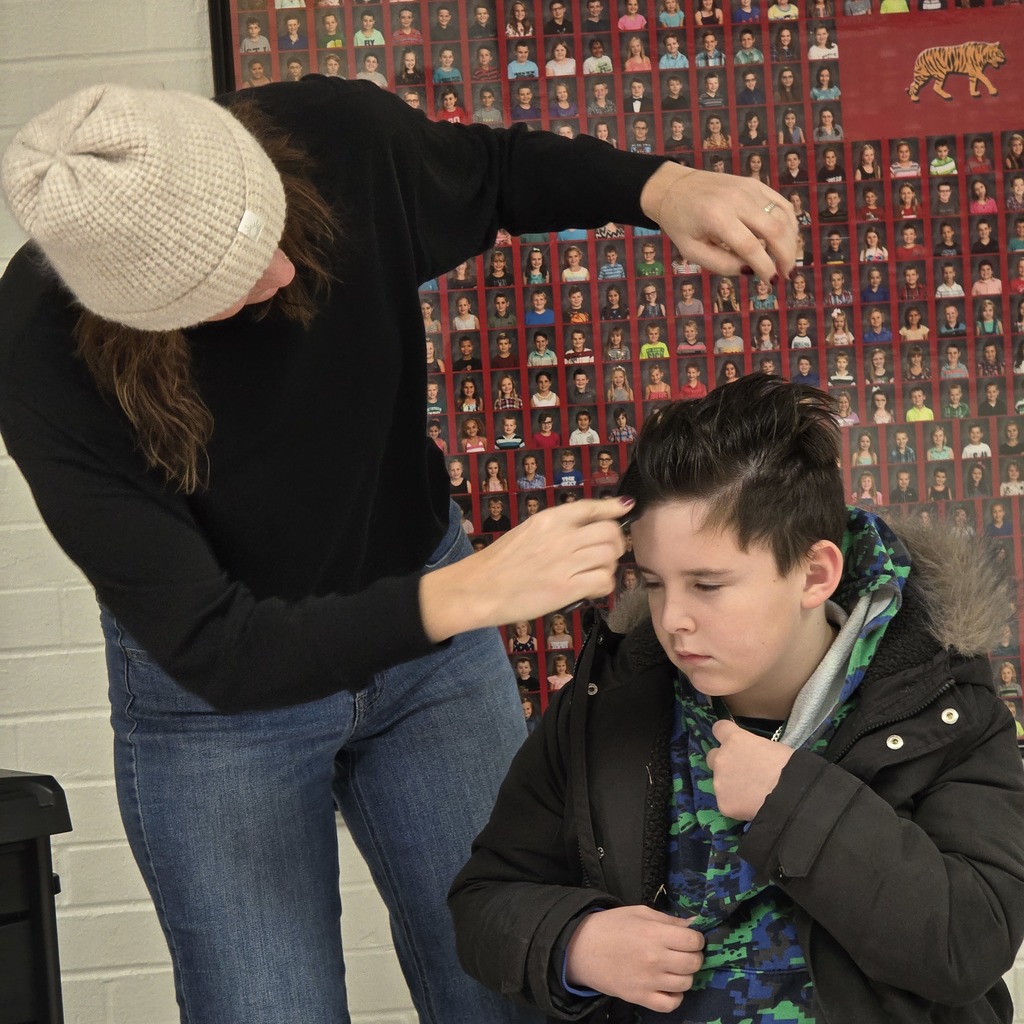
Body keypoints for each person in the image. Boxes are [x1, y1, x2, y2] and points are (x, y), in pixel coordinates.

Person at [0, 78, 805, 1024]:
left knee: (507, 981)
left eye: (275, 233)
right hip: (218, 701)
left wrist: (660, 188)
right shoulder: (39, 355)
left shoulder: (338, 139)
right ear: (140, 318)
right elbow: (217, 648)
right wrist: (477, 592)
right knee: (268, 1008)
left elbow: (500, 176)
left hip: (427, 645)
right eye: (228, 287)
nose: (281, 278)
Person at [450, 374, 1024, 1023]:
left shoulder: (942, 702)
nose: (674, 621)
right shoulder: (608, 698)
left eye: (708, 584)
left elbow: (970, 942)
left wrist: (797, 803)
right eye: (656, 583)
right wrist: (573, 944)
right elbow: (484, 899)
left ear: (814, 574)